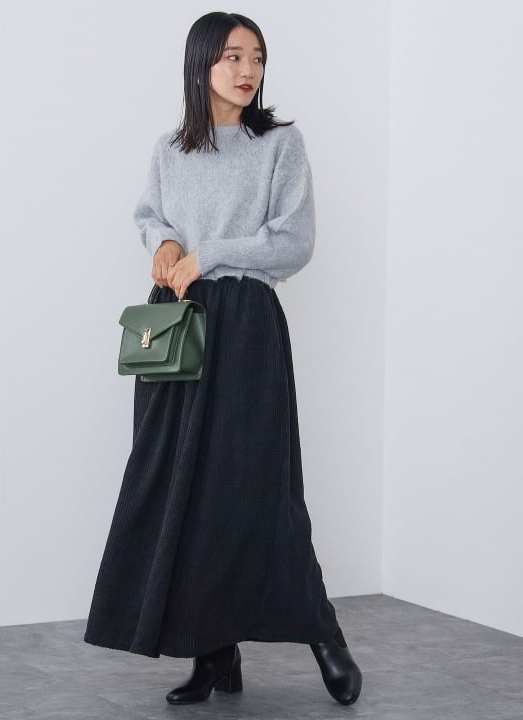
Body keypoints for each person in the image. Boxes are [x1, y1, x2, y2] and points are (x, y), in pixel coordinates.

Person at [83, 11, 362, 707]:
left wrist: (210, 254)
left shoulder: (279, 145)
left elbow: (293, 242)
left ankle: (324, 632)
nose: (247, 70)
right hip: (175, 324)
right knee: (181, 486)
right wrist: (166, 244)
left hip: (244, 323)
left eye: (257, 57)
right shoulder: (169, 149)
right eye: (233, 56)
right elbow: (151, 214)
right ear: (201, 62)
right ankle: (214, 654)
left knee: (258, 486)